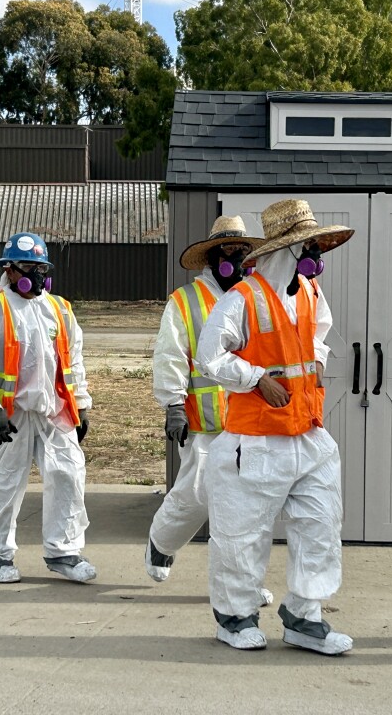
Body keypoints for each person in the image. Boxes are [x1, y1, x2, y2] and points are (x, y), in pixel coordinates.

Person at [195, 199, 354, 653]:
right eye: (310, 247)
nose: (317, 258)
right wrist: (255, 379)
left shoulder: (309, 292)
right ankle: (234, 616)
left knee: (320, 526)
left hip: (309, 433)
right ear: (287, 249)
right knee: (242, 536)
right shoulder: (240, 299)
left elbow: (319, 334)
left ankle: (305, 617)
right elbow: (209, 357)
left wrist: (319, 360)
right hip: (255, 439)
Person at [147, 215, 273, 605]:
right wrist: (172, 405)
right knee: (195, 496)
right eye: (230, 251)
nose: (237, 259)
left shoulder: (257, 298)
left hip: (250, 420)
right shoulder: (186, 301)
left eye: (243, 252)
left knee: (245, 507)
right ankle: (160, 542)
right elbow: (170, 354)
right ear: (215, 255)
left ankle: (243, 584)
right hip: (204, 423)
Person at [0, 232, 95, 584]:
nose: (36, 275)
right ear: (9, 269)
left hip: (55, 411)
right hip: (13, 415)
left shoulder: (60, 309)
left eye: (41, 268)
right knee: (5, 483)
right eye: (28, 268)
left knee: (68, 476)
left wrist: (81, 404)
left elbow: (74, 362)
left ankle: (63, 552)